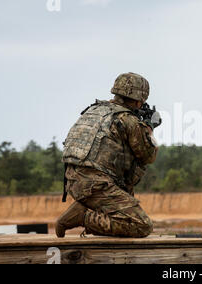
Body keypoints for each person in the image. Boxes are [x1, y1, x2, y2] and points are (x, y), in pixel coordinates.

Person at [56, 72, 161, 238]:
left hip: (74, 181)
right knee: (141, 225)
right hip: (97, 185)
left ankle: (83, 211)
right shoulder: (128, 120)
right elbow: (148, 156)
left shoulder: (94, 110)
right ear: (138, 100)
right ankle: (83, 216)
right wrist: (148, 129)